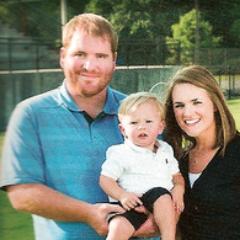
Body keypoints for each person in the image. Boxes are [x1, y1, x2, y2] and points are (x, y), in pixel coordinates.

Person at [0, 13, 157, 240]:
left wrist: (156, 222)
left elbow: (169, 177)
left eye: (101, 56)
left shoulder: (139, 112)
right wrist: (89, 214)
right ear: (63, 56)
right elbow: (22, 193)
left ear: (114, 61)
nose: (90, 65)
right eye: (80, 54)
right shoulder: (31, 114)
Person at [164, 65, 240, 240]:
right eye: (179, 105)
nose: (187, 113)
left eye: (196, 102)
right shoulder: (177, 161)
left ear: (214, 103)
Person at [100, 92, 185, 240]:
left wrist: (179, 189)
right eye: (134, 123)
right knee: (117, 225)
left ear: (160, 127)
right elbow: (105, 180)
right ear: (123, 130)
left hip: (159, 200)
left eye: (148, 121)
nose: (141, 127)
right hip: (132, 202)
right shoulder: (120, 153)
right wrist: (122, 195)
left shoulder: (165, 150)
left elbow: (176, 176)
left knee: (164, 198)